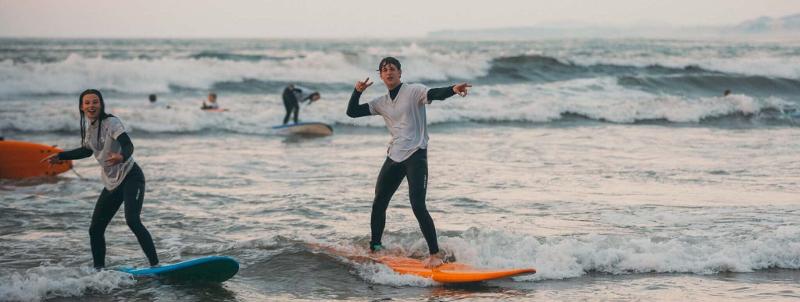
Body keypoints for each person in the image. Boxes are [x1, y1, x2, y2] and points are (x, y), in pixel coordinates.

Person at [345, 57, 471, 268]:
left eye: (392, 68)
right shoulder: (381, 102)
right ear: (381, 75)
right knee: (379, 202)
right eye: (384, 70)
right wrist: (357, 91)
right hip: (394, 156)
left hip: (416, 155)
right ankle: (375, 246)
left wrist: (453, 89)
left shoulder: (413, 91)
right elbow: (352, 112)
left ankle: (435, 253)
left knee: (418, 205)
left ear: (400, 73)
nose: (389, 72)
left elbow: (434, 94)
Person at [43, 89, 159, 269]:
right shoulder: (90, 127)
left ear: (101, 104)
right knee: (95, 229)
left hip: (131, 176)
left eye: (95, 102)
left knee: (133, 220)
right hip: (111, 183)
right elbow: (87, 150)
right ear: (82, 107)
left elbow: (128, 144)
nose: (91, 105)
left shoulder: (111, 122)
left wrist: (122, 156)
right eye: (87, 102)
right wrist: (61, 156)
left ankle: (156, 265)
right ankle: (99, 271)